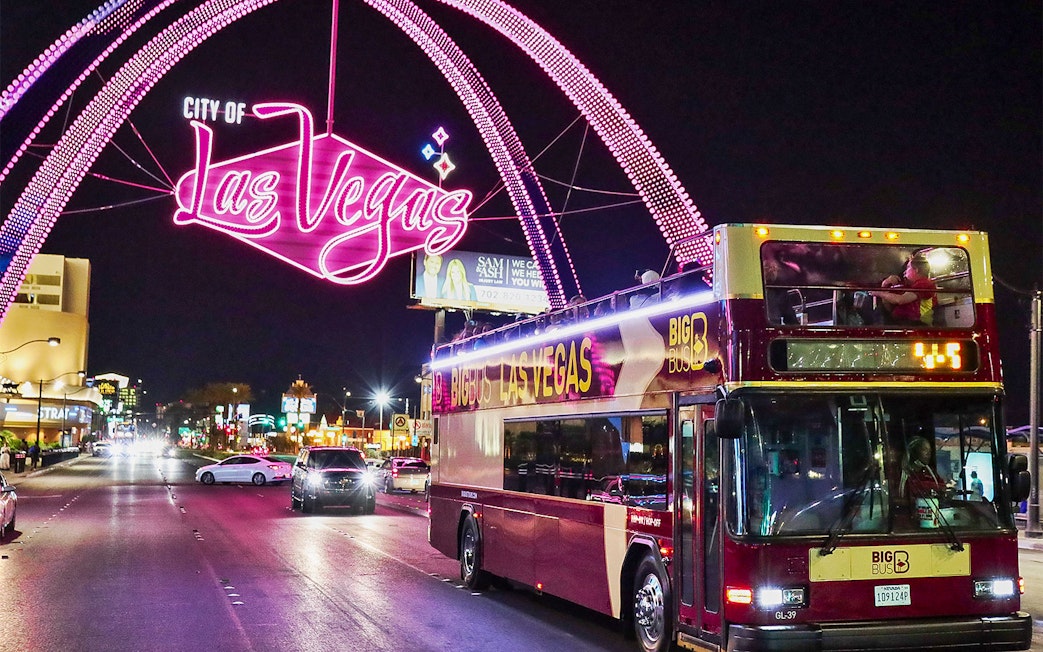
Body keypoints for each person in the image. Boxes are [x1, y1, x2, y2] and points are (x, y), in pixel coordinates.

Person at [871, 256, 937, 326]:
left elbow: (900, 300)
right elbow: (888, 306)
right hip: (902, 322)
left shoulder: (925, 283)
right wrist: (885, 284)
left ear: (916, 270)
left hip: (918, 324)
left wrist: (877, 293)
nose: (905, 272)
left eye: (908, 267)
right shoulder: (909, 286)